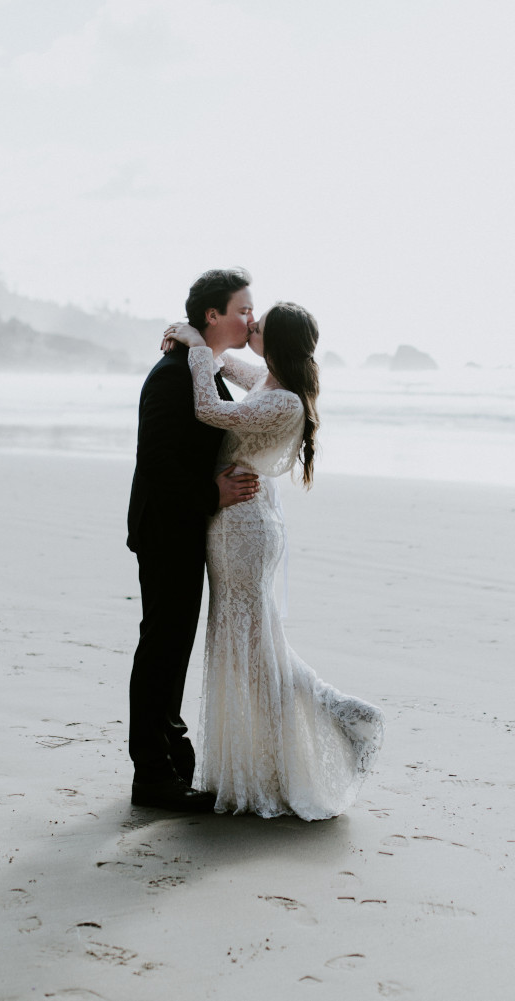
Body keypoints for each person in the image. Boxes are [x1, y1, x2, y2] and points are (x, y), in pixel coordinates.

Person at [163, 302, 384, 819]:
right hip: (237, 519)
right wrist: (200, 342)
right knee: (252, 646)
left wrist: (197, 349)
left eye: (258, 326)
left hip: (244, 527)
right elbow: (228, 370)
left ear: (276, 340)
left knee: (254, 650)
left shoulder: (284, 402)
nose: (251, 326)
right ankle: (291, 745)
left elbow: (210, 410)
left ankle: (344, 718)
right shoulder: (270, 382)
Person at [125, 268, 261, 811]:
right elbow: (155, 463)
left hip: (186, 526)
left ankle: (173, 763)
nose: (251, 317)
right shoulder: (171, 374)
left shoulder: (200, 365)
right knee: (162, 647)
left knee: (173, 647)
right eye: (243, 309)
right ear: (213, 315)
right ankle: (153, 777)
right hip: (165, 528)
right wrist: (214, 493)